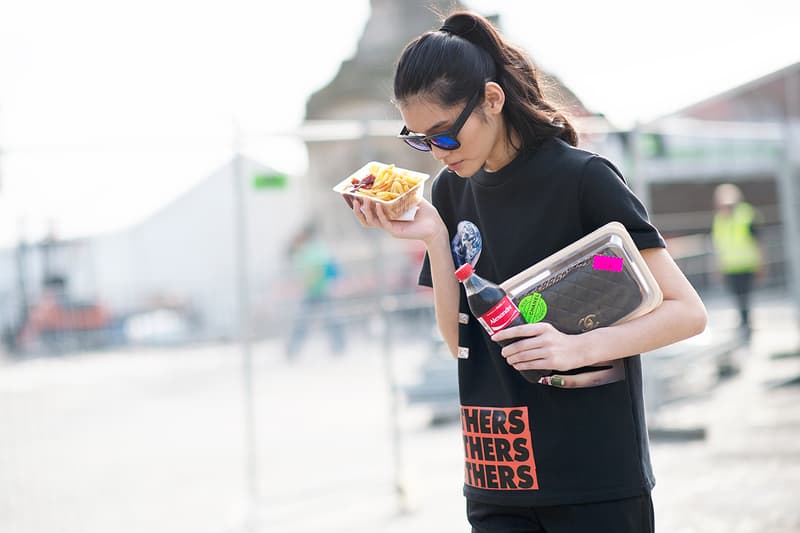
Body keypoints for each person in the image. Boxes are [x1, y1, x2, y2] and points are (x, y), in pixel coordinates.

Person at [349, 11, 708, 533]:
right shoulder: (450, 191)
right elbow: (459, 343)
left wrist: (578, 348)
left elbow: (687, 313)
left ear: (492, 100)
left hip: (592, 476)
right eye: (419, 140)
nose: (436, 153)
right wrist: (432, 236)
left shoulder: (584, 179)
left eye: (444, 135)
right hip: (497, 473)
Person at [285, 222, 345, 358]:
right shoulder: (310, 248)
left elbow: (328, 267)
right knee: (310, 321)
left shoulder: (314, 249)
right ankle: (293, 349)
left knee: (327, 320)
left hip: (321, 290)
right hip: (314, 290)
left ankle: (338, 346)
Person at [711, 183, 764, 339]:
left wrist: (761, 264)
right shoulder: (719, 219)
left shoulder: (747, 215)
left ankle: (746, 324)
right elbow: (719, 245)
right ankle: (744, 323)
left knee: (745, 297)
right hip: (730, 266)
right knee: (738, 296)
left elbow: (758, 242)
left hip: (746, 264)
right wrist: (718, 266)